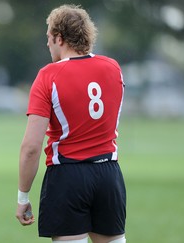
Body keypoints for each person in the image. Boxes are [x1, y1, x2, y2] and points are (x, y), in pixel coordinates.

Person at [15, 4, 126, 243]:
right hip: (109, 174)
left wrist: (22, 197)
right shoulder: (113, 68)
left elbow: (31, 147)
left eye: (49, 38)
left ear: (59, 38)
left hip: (68, 175)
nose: (47, 44)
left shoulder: (48, 75)